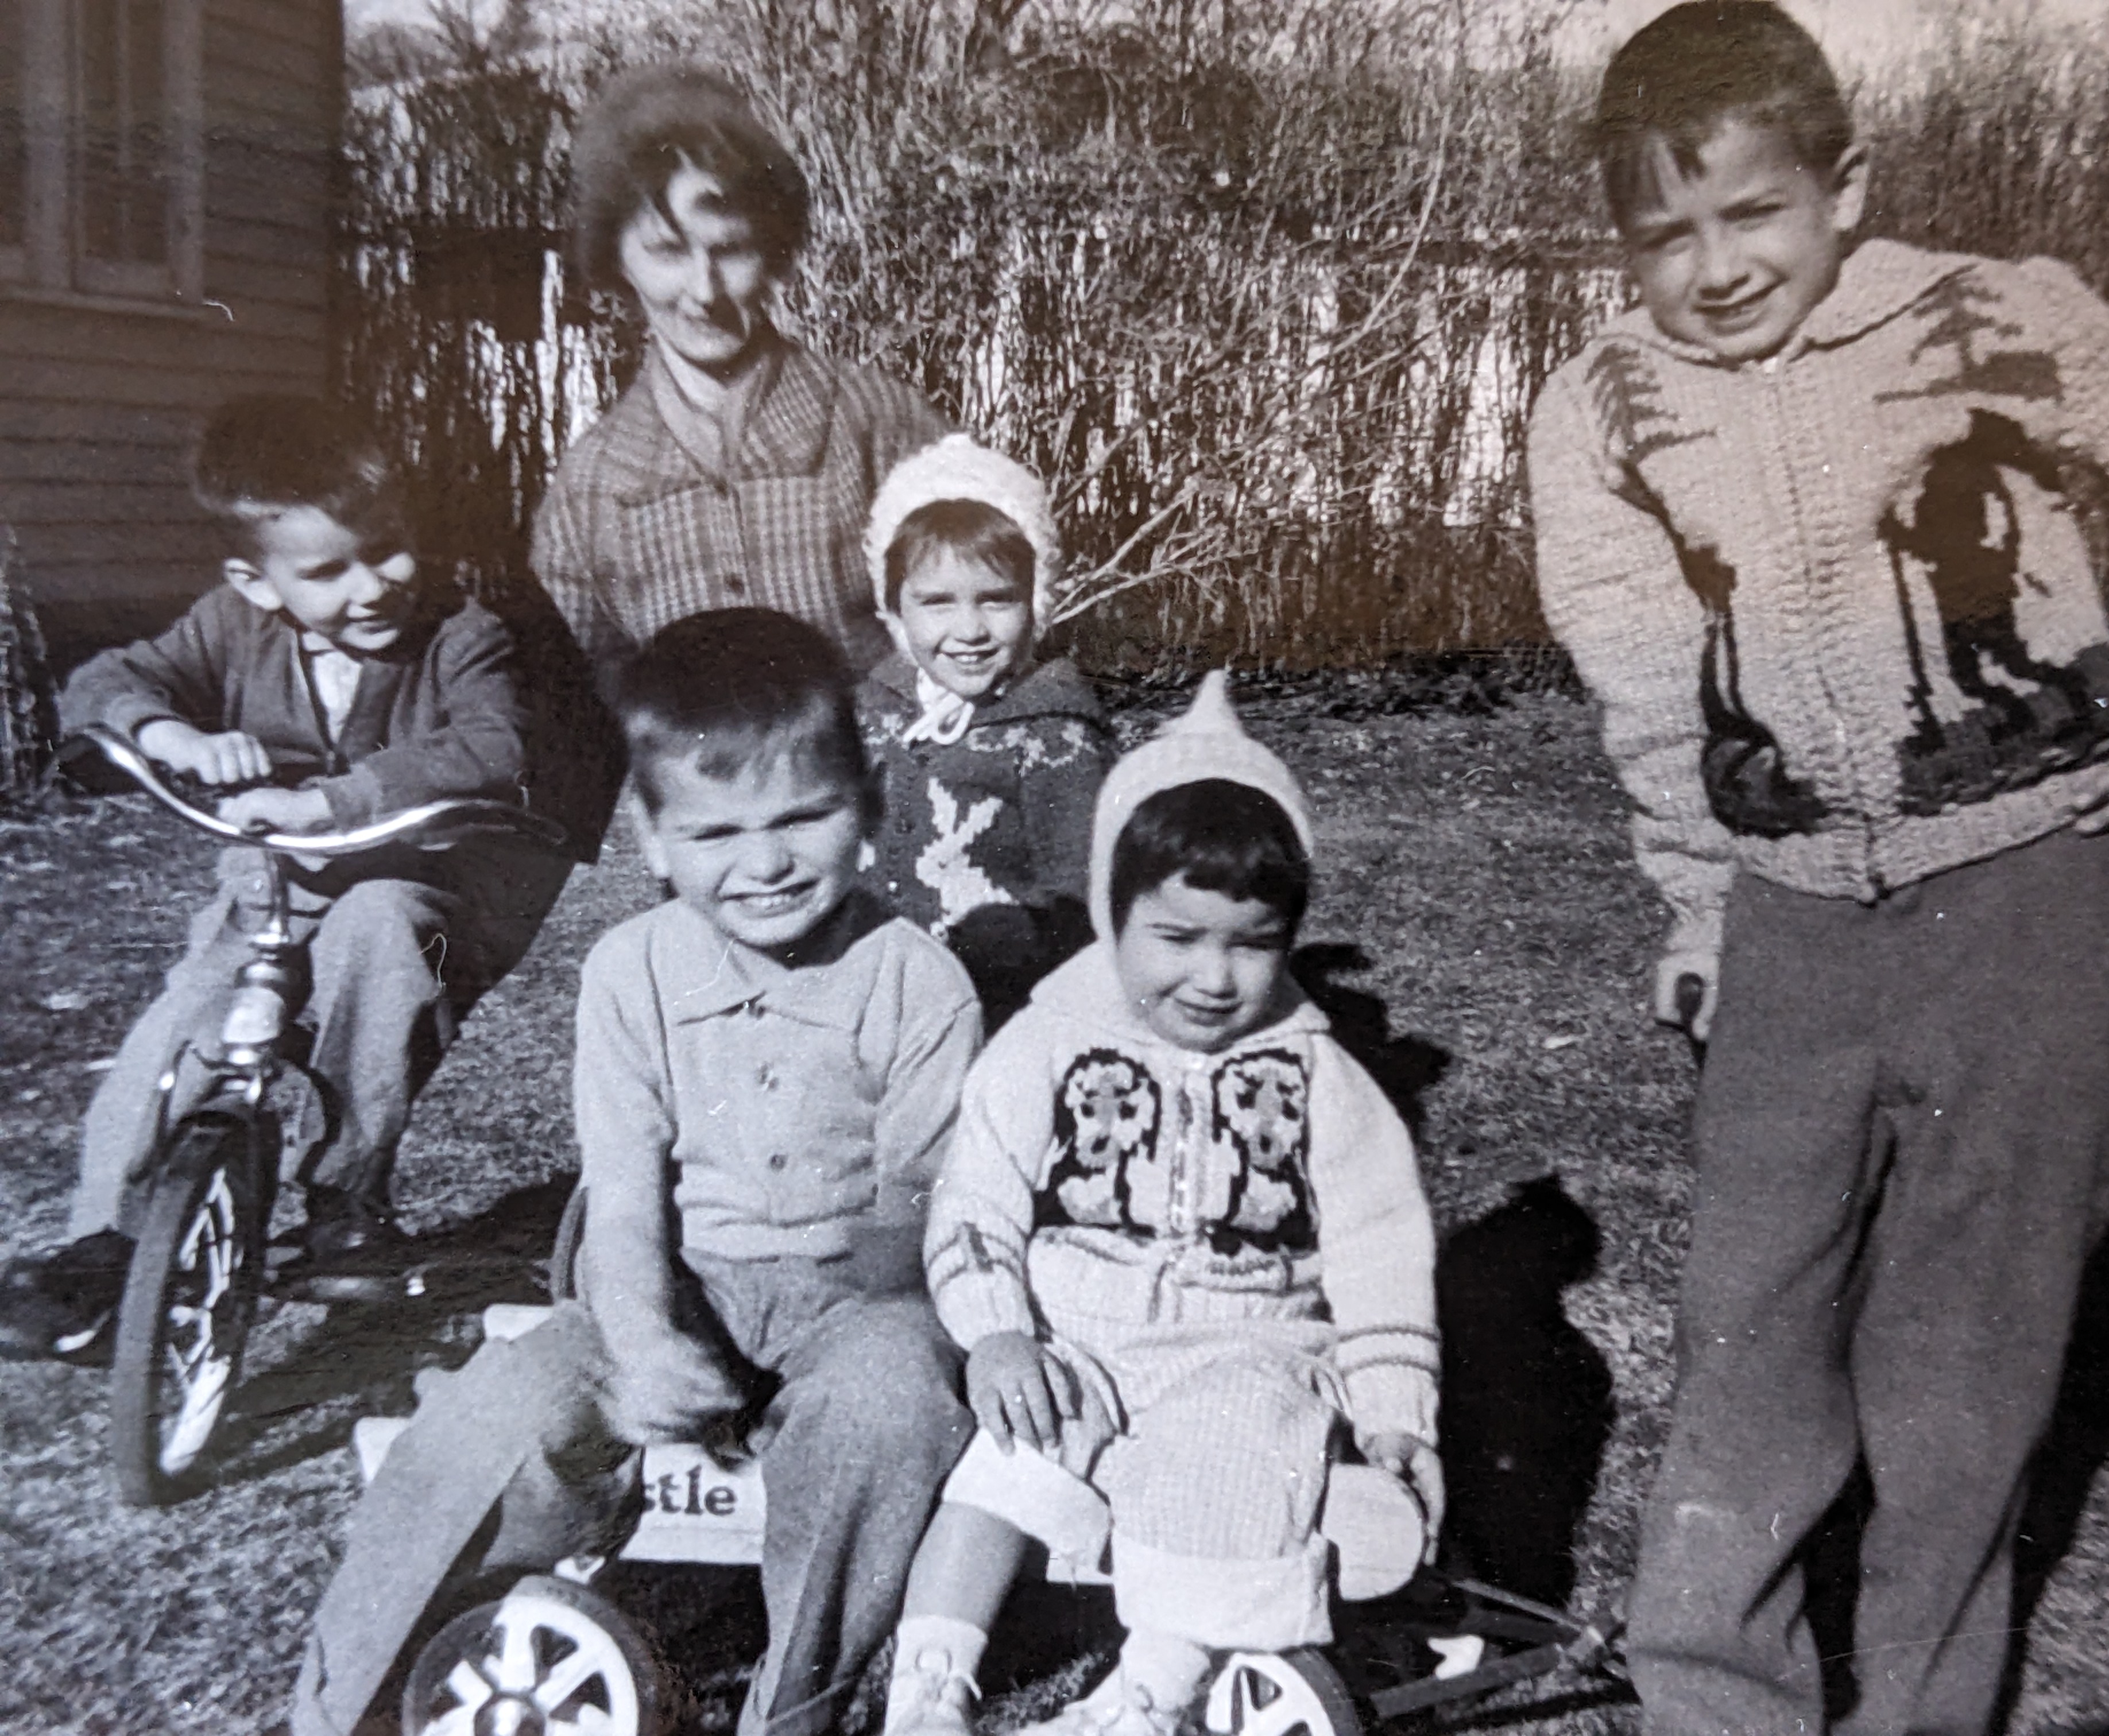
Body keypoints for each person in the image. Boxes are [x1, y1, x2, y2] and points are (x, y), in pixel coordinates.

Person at [1523, 6, 2109, 1733]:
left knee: (1963, 1371)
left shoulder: (1991, 317)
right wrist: (1701, 896)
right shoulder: (1600, 412)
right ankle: (1716, 1696)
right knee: (1749, 1332)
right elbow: (1651, 686)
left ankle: (1918, 1709)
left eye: (1756, 215)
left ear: (1844, 186)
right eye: (1666, 235)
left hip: (2034, 903)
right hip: (1792, 918)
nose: (1718, 268)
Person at [291, 609, 978, 1736]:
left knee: (890, 1405)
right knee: (488, 1417)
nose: (765, 865)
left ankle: (793, 1707)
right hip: (670, 1278)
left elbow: (915, 1223)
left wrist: (800, 1362)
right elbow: (621, 1199)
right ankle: (338, 1706)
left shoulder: (917, 983)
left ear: (871, 807)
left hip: (859, 1303)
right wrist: (651, 1341)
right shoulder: (631, 973)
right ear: (652, 843)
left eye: (805, 818)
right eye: (715, 836)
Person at [879, 672, 1444, 1736]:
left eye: (1252, 942)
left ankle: (1149, 1692)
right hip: (1075, 1332)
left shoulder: (1318, 1075)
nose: (1217, 978)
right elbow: (977, 1197)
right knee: (1003, 1465)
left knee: (1231, 1471)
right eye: (1176, 938)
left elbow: (1380, 1253)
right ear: (1108, 908)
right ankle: (929, 1686)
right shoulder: (1047, 1039)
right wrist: (999, 1333)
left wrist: (1393, 1412)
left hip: (1242, 1342)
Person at [0, 394, 557, 1355]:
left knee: (383, 938)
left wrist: (329, 802)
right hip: (270, 894)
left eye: (387, 548)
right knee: (180, 1026)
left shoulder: (461, 632)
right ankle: (107, 1239)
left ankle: (344, 1199)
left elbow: (491, 743)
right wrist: (173, 733)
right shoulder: (231, 628)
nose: (373, 584)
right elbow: (103, 681)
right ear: (256, 583)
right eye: (327, 570)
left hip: (423, 893)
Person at [533, 63, 951, 695]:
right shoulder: (590, 491)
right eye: (668, 252)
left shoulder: (880, 425)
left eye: (730, 249)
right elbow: (583, 709)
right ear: (618, 260)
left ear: (773, 244)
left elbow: (985, 623)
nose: (704, 292)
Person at [856, 433, 1115, 1022]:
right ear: (895, 610)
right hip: (878, 997)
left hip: (1000, 1005)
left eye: (997, 600)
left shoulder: (1055, 736)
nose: (969, 630)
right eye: (938, 603)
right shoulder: (870, 711)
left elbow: (1081, 896)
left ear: (1037, 600)